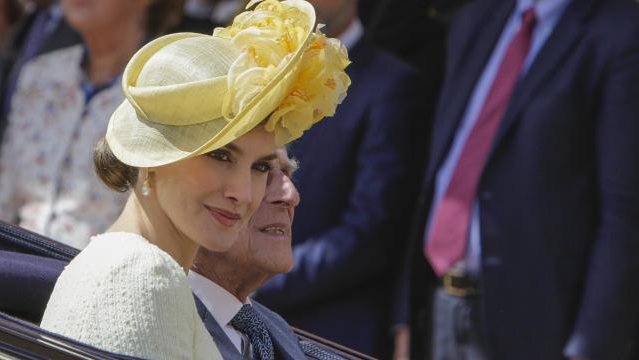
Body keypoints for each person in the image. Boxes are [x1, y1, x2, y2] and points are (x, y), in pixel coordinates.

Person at [38, 0, 351, 358]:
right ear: (154, 155)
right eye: (220, 155)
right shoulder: (139, 274)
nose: (243, 192)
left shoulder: (153, 273)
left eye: (260, 167)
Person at [398, 0, 639, 359]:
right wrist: (402, 315)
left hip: (540, 327)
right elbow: (439, 171)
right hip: (439, 305)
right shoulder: (477, 18)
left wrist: (590, 347)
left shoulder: (621, 32)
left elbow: (625, 217)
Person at [253, 0, 430, 357]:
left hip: (326, 334)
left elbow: (369, 232)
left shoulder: (389, 84)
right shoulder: (250, 74)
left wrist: (259, 277)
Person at [0, 0, 182, 248]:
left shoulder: (165, 90)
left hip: (106, 272)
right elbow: (5, 189)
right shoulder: (40, 73)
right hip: (20, 263)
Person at [189, 147, 307, 359]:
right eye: (261, 170)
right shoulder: (154, 321)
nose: (291, 196)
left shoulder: (278, 331)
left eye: (287, 174)